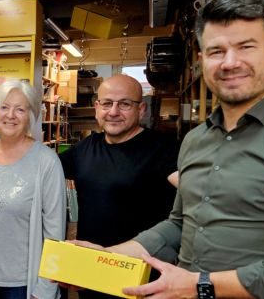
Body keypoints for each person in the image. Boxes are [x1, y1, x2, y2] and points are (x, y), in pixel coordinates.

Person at [85, 0, 264, 299]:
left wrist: (201, 285)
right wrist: (108, 257)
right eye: (216, 51)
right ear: (201, 59)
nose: (230, 62)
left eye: (246, 47)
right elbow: (180, 224)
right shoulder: (195, 140)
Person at [57, 74, 179, 299]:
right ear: (97, 107)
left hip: (142, 272)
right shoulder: (85, 148)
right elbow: (43, 168)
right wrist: (3, 146)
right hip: (93, 269)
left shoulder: (163, 148)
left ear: (141, 109)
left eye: (124, 104)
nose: (113, 112)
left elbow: (199, 194)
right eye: (106, 103)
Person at [0, 80, 66, 299]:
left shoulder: (46, 162)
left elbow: (55, 232)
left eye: (20, 109)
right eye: (4, 107)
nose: (10, 115)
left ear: (30, 116)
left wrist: (46, 289)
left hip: (22, 285)